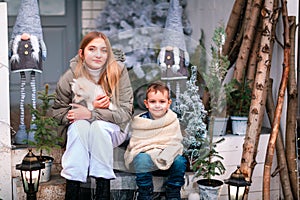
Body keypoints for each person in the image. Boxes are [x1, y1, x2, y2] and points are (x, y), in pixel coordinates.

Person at [52, 31, 133, 200]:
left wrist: (91, 112)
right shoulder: (69, 77)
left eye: (104, 50)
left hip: (113, 128)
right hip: (80, 130)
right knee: (80, 127)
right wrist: (80, 112)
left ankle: (103, 190)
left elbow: (125, 113)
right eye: (92, 49)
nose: (98, 55)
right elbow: (58, 112)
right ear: (82, 53)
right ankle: (73, 190)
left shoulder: (118, 72)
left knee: (98, 127)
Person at [124, 81, 186, 200]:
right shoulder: (141, 122)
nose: (157, 105)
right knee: (142, 158)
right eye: (153, 101)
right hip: (146, 159)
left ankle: (173, 191)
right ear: (146, 104)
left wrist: (163, 152)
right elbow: (136, 144)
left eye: (162, 101)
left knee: (180, 161)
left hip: (166, 157)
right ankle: (145, 193)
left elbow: (175, 143)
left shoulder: (172, 120)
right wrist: (151, 150)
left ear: (169, 103)